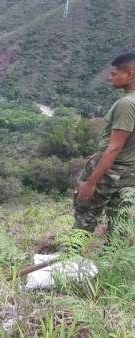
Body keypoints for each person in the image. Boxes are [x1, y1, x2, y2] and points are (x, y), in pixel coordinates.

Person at [74, 52, 135, 235]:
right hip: (129, 174)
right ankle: (112, 261)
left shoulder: (126, 104)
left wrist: (92, 182)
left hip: (110, 173)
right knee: (119, 224)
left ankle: (69, 260)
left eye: (114, 74)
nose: (109, 78)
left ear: (130, 74)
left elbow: (114, 147)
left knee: (84, 218)